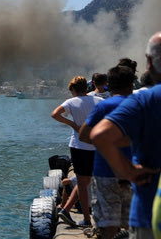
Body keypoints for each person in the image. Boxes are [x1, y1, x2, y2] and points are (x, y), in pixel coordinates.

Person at [91, 32, 161, 239]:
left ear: (149, 61)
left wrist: (127, 172)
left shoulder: (145, 101)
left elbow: (100, 136)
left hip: (150, 213)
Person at [78, 66, 135, 239]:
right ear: (131, 85)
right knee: (132, 223)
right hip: (133, 172)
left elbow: (84, 135)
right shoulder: (141, 106)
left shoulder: (104, 106)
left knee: (108, 225)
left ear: (109, 85)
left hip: (105, 172)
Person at [52, 76, 103, 227]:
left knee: (82, 182)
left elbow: (55, 114)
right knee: (95, 180)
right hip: (96, 145)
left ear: (73, 89)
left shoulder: (71, 102)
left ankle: (85, 218)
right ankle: (75, 212)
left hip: (78, 146)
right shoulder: (99, 101)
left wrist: (73, 124)